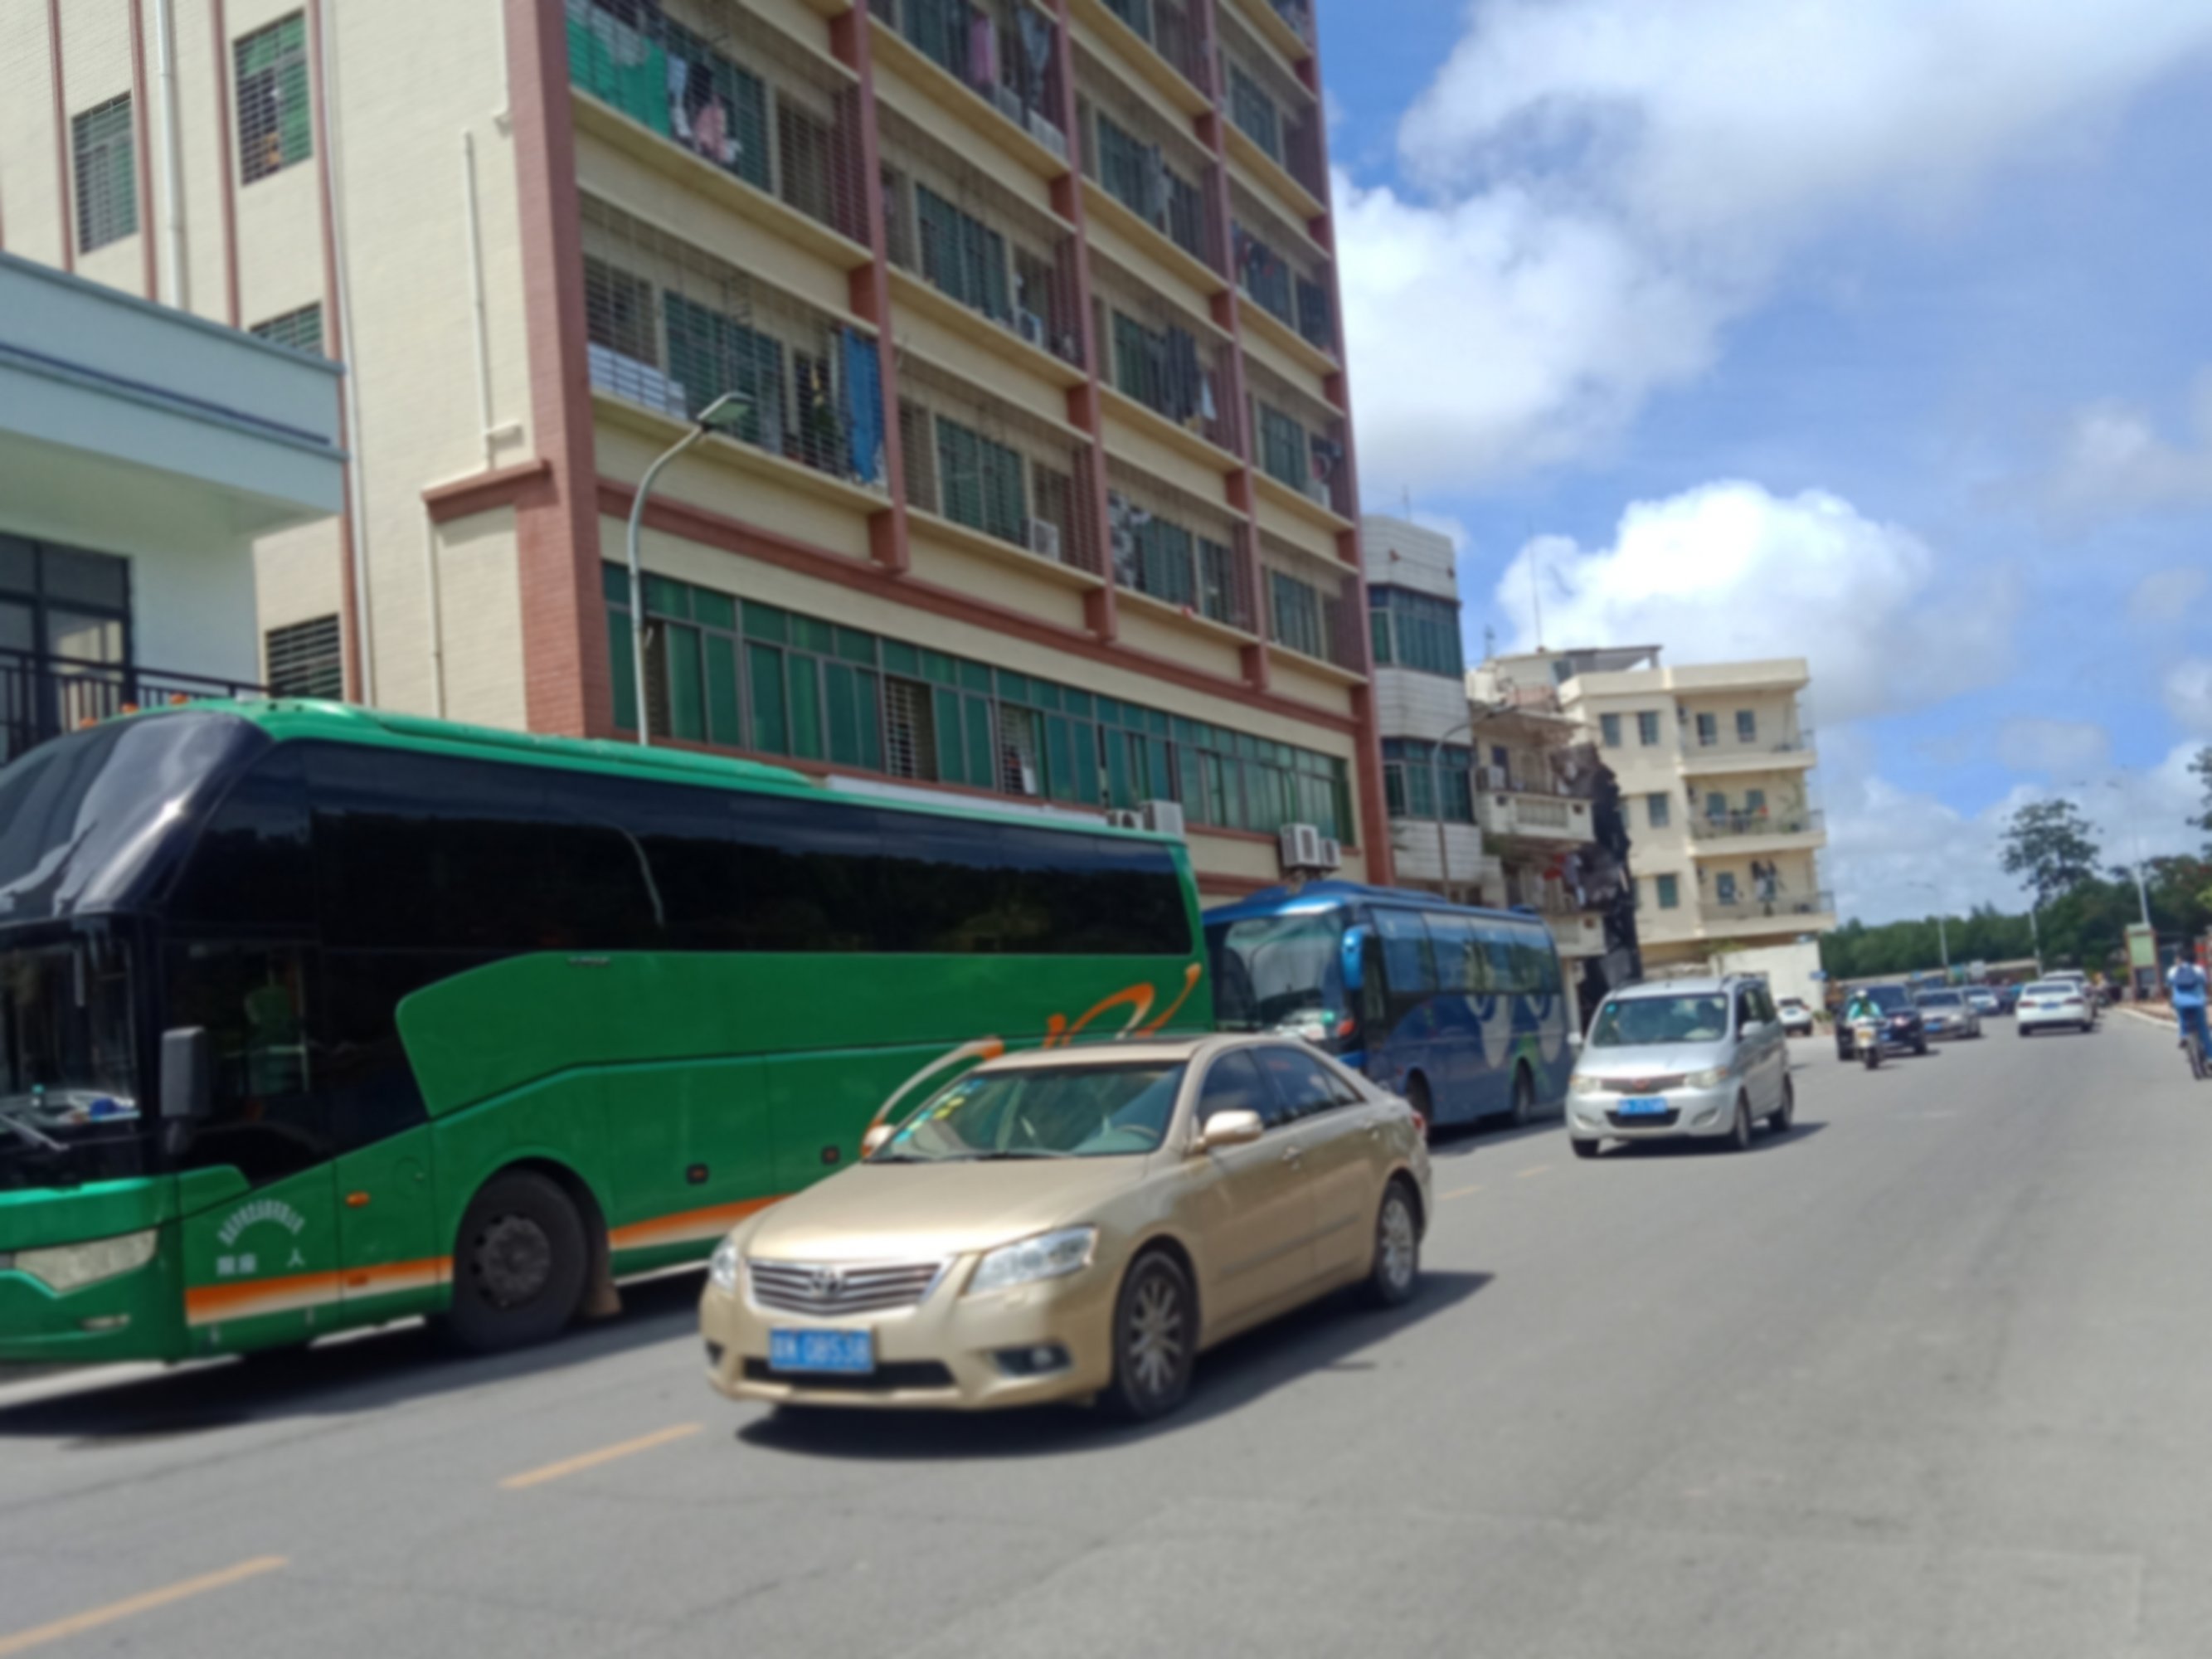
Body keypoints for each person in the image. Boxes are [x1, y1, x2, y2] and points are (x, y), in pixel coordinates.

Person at [2169, 958, 2210, 1056]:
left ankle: (2183, 1036)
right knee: (2203, 1028)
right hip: (2198, 1002)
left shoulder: (2173, 971)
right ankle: (2210, 1056)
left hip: (2181, 1003)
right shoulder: (2199, 969)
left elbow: (2170, 985)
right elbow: (2205, 983)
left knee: (2181, 1017)